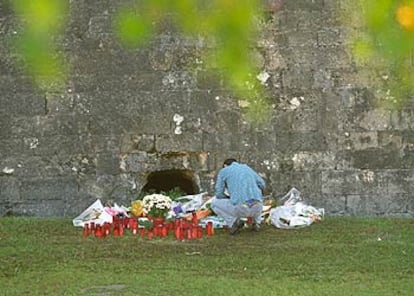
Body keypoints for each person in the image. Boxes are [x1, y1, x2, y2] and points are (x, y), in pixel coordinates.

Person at [211, 158, 265, 235]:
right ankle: (256, 223)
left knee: (214, 203)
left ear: (225, 165)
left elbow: (219, 193)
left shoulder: (224, 171)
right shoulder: (247, 168)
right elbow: (262, 184)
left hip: (241, 207)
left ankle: (233, 222)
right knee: (255, 200)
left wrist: (228, 197)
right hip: (258, 207)